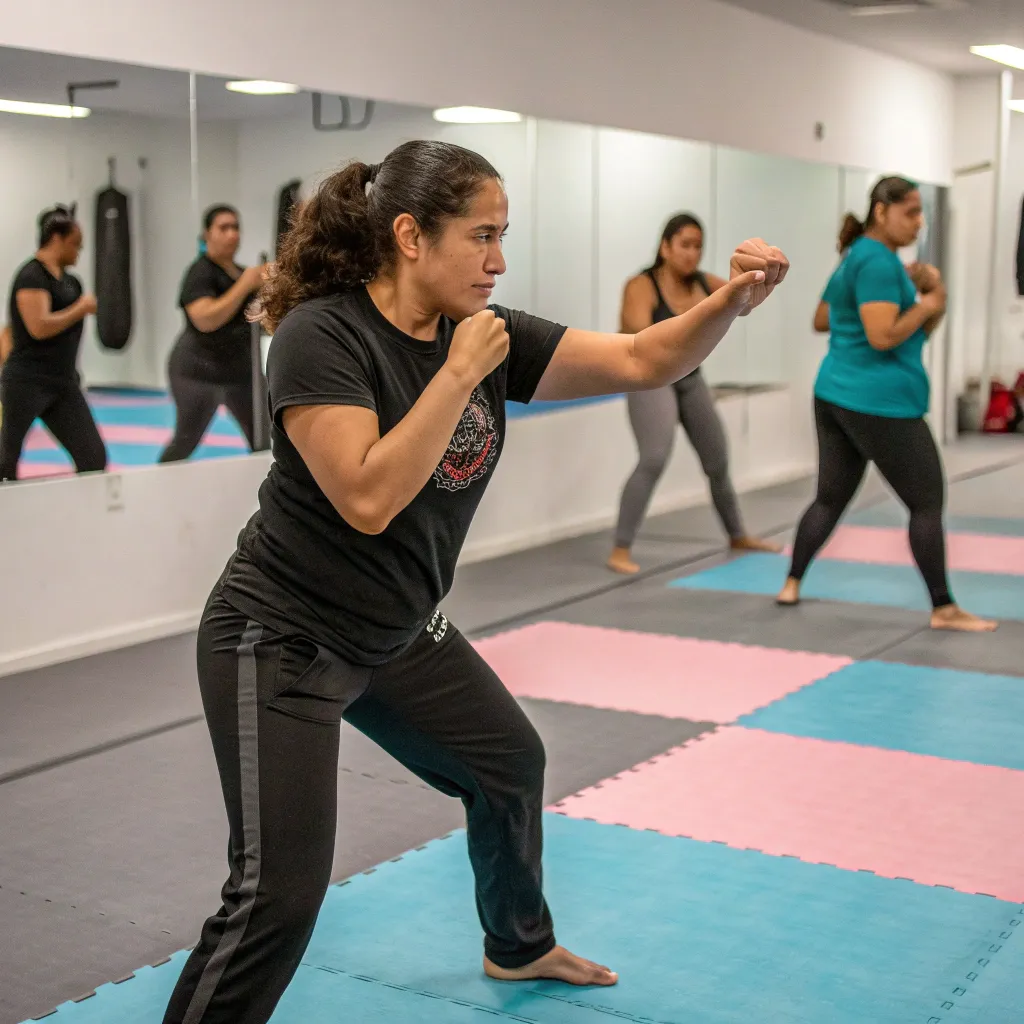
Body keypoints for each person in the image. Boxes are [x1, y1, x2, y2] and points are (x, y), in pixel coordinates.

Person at [161, 140, 788, 1024]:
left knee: (508, 764)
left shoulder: (486, 334)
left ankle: (518, 944)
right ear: (411, 236)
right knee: (279, 896)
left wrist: (730, 303)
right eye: (482, 236)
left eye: (504, 236)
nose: (499, 260)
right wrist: (458, 374)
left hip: (397, 629)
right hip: (283, 636)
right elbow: (369, 495)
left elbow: (645, 359)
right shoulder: (320, 337)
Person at [777, 176, 996, 632]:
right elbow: (882, 337)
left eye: (921, 214)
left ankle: (791, 582)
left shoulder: (855, 256)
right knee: (926, 499)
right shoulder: (877, 262)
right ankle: (944, 607)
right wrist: (932, 300)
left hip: (834, 394)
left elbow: (824, 319)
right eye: (911, 212)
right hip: (878, 401)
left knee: (830, 497)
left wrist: (916, 300)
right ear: (882, 211)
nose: (919, 223)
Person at [608, 213, 781, 575]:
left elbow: (744, 299)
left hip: (689, 377)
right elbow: (638, 339)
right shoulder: (641, 285)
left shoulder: (704, 283)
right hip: (650, 379)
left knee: (717, 458)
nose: (692, 254)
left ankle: (737, 535)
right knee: (654, 457)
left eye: (698, 246)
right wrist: (699, 316)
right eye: (684, 245)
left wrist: (763, 273)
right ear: (665, 246)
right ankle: (620, 548)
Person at [0, 205, 106, 481]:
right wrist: (81, 309)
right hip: (26, 382)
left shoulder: (72, 282)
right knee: (4, 459)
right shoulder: (31, 276)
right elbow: (39, 327)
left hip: (62, 383)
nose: (78, 253)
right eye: (75, 245)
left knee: (93, 458)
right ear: (56, 239)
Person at [158, 205, 266, 462]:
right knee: (186, 441)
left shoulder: (244, 274)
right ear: (207, 234)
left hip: (240, 373)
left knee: (264, 440)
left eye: (235, 227)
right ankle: (160, 487)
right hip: (197, 373)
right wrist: (245, 285)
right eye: (224, 227)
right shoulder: (200, 273)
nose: (232, 234)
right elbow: (206, 320)